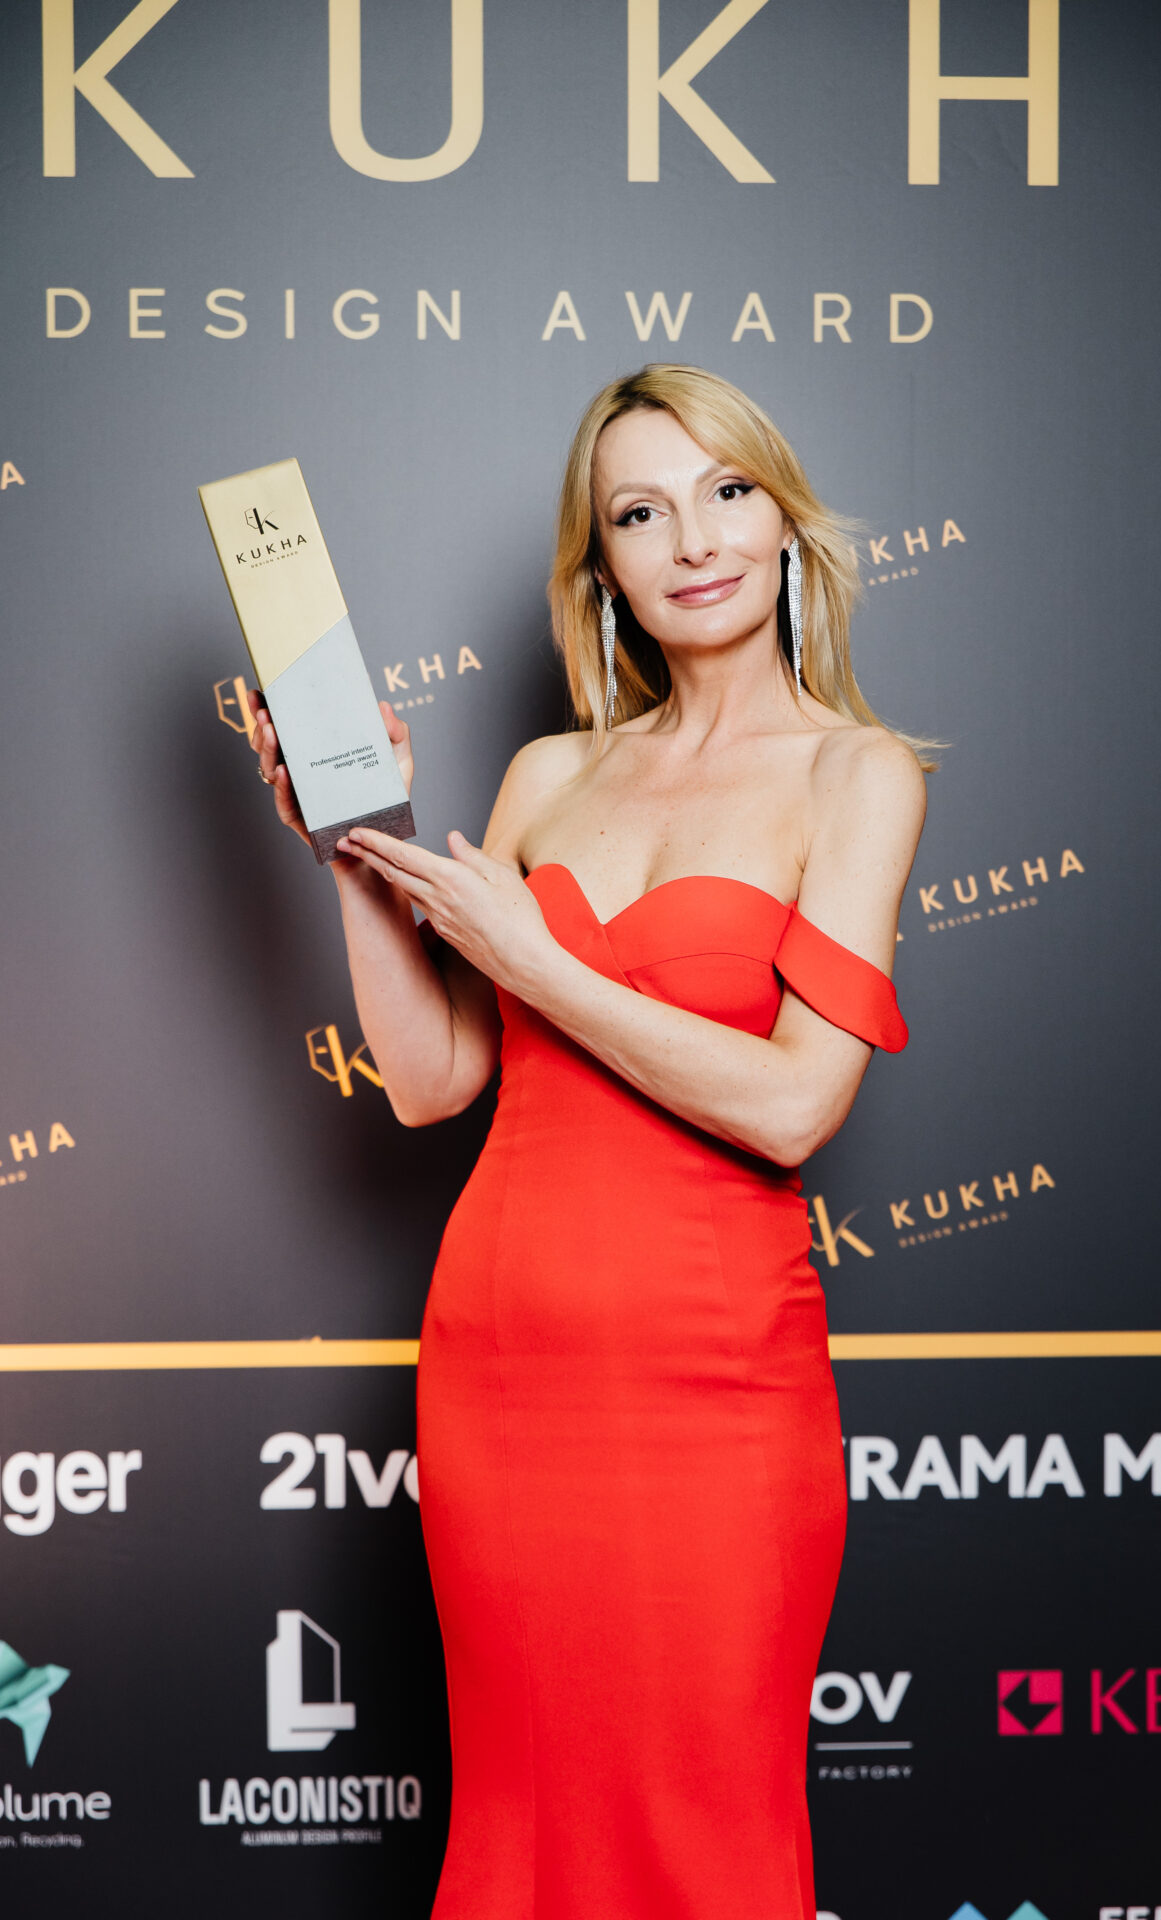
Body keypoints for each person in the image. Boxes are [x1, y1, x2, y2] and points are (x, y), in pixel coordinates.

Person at [249, 364, 931, 1920]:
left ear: (783, 521)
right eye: (640, 512)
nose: (692, 539)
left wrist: (536, 959)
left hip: (716, 1384)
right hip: (500, 1369)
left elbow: (796, 1101)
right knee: (521, 1831)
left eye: (726, 493)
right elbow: (435, 1082)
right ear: (601, 564)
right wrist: (354, 858)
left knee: (704, 1836)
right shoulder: (550, 774)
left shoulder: (856, 772)